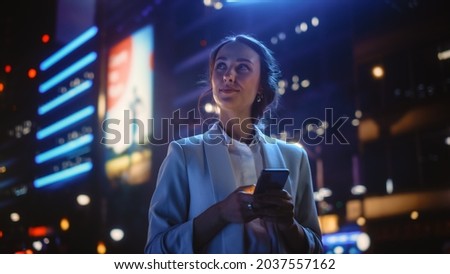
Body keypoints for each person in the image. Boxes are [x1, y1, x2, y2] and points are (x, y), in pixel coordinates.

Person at [144, 34, 323, 253]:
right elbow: (154, 251)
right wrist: (220, 214)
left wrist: (288, 224)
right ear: (211, 81)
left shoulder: (294, 157)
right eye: (220, 67)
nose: (228, 75)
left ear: (261, 86)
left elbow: (316, 252)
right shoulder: (183, 154)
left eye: (243, 68)